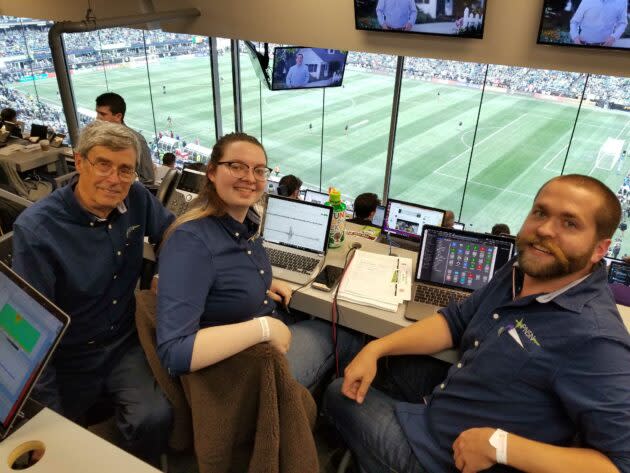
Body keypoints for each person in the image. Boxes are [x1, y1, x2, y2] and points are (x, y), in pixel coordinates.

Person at [323, 174, 630, 473]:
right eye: (540, 212)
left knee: (337, 392)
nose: (545, 230)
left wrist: (502, 446)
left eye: (569, 223)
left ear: (599, 249)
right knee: (369, 360)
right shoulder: (521, 268)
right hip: (445, 404)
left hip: (440, 456)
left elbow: (622, 462)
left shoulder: (596, 339)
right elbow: (455, 321)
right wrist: (378, 348)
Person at [12, 121, 175, 465]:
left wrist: (162, 271)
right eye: (103, 164)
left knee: (154, 417)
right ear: (80, 161)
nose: (115, 179)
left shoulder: (137, 198)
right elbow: (29, 329)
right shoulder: (37, 230)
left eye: (125, 169)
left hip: (123, 342)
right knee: (57, 449)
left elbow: (173, 233)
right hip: (66, 356)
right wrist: (48, 415)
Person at [156, 132, 363, 391]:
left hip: (258, 337)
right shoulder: (191, 243)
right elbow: (174, 354)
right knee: (345, 334)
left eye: (258, 170)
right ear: (211, 172)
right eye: (236, 166)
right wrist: (263, 329)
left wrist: (261, 281)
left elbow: (221, 274)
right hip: (238, 370)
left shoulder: (245, 224)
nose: (250, 178)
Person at [95, 92, 155, 186]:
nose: (97, 118)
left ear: (118, 116)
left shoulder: (137, 141)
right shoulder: (96, 136)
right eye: (97, 113)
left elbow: (148, 180)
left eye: (103, 114)